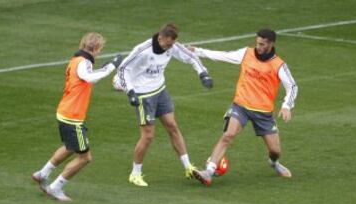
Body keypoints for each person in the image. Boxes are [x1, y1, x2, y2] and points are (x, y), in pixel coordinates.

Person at [188, 28, 298, 186]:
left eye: (262, 44)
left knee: (275, 151)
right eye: (257, 43)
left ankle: (274, 163)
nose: (258, 46)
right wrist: (198, 51)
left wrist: (287, 105)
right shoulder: (246, 53)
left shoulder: (278, 65)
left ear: (271, 44)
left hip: (263, 113)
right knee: (228, 135)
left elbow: (292, 86)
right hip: (241, 106)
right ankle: (208, 172)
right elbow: (224, 55)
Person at [117, 23, 213, 187]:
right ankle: (135, 174)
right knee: (148, 136)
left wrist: (203, 73)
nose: (170, 47)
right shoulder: (143, 50)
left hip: (160, 90)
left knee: (172, 126)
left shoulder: (172, 46)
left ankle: (188, 167)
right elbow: (123, 69)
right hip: (143, 94)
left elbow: (191, 56)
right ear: (160, 37)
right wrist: (131, 92)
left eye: (172, 44)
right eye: (167, 44)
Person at [32, 32, 122, 201]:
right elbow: (88, 76)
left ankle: (42, 174)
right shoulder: (83, 62)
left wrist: (104, 68)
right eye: (100, 49)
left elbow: (87, 80)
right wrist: (110, 67)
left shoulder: (76, 61)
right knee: (85, 157)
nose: (100, 52)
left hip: (65, 112)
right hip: (72, 116)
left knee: (69, 147)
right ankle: (55, 187)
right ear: (94, 48)